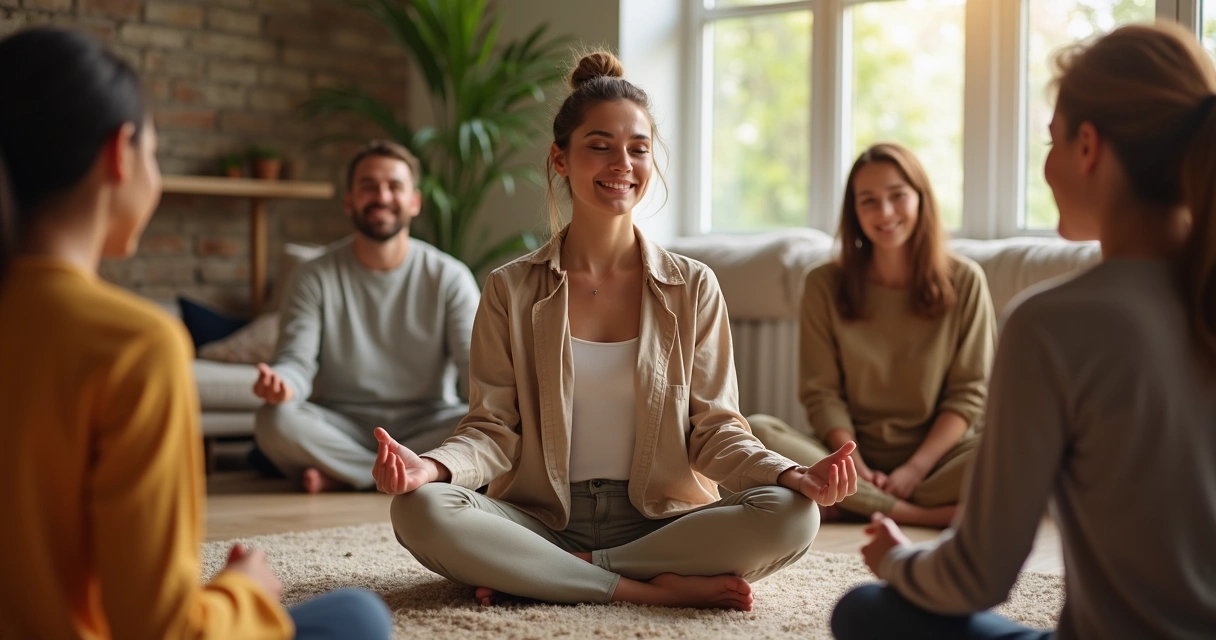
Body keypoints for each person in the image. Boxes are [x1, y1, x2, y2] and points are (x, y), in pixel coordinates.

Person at [370, 51, 859, 610]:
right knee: (419, 507)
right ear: (560, 159)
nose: (621, 163)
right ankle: (641, 589)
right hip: (541, 522)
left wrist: (790, 472)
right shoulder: (509, 288)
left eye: (638, 148)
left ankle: (561, 576)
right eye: (599, 146)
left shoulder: (692, 286)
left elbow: (716, 430)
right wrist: (432, 467)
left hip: (661, 526)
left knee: (794, 514)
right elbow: (494, 430)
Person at [0, 28, 392, 639]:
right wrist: (244, 592)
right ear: (119, 154)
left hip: (412, 426)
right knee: (361, 616)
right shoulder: (135, 344)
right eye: (154, 154)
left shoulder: (442, 275)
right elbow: (161, 631)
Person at [832, 21, 1216, 640]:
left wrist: (896, 560)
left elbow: (977, 578)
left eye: (1050, 142)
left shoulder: (1051, 323)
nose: (1048, 164)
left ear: (1087, 146)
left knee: (863, 610)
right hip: (874, 459)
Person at [749, 142, 996, 528]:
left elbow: (969, 395)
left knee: (1019, 444)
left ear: (921, 199)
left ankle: (848, 504)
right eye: (869, 201)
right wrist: (857, 469)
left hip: (937, 462)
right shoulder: (823, 283)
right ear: (854, 212)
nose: (885, 213)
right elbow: (821, 393)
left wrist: (914, 469)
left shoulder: (965, 281)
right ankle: (917, 514)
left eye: (897, 196)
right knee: (757, 431)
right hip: (846, 455)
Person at [252, 139, 480, 493]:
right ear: (350, 201)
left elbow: (476, 371)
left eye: (395, 186)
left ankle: (345, 475)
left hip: (429, 421)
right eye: (368, 186)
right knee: (274, 420)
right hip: (341, 422)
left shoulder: (450, 277)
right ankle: (400, 474)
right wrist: (282, 384)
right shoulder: (313, 274)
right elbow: (295, 362)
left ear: (414, 202)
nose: (382, 196)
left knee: (486, 423)